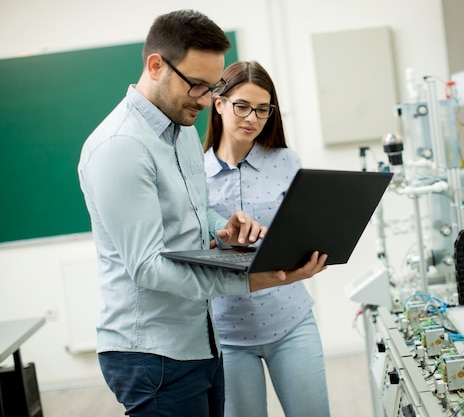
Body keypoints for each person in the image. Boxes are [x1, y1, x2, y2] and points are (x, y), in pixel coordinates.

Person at [77, 10, 327, 417]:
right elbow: (149, 268)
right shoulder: (121, 147)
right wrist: (253, 280)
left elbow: (197, 212)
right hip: (152, 354)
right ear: (155, 65)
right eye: (196, 85)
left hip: (198, 340)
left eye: (211, 88)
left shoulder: (183, 131)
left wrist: (222, 228)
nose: (206, 100)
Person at [203, 61, 331, 417]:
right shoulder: (195, 174)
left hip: (290, 320)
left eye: (262, 109)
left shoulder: (285, 161)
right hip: (228, 334)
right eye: (242, 106)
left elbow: (304, 229)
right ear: (218, 102)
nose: (252, 118)